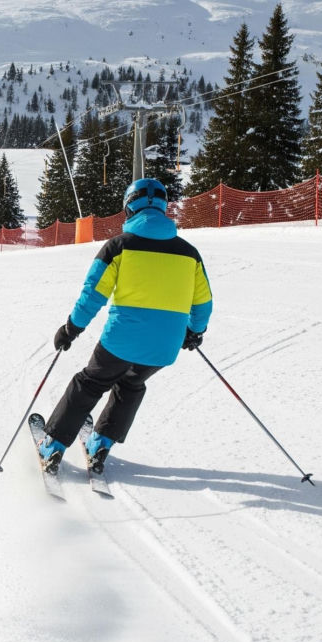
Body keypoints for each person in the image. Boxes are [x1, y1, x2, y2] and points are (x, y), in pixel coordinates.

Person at [37, 178, 213, 476]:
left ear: (128, 207)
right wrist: (194, 332)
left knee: (90, 383)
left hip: (121, 340)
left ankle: (52, 446)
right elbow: (203, 302)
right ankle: (101, 442)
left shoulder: (119, 247)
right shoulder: (189, 253)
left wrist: (71, 329)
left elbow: (92, 295)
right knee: (131, 384)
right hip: (163, 348)